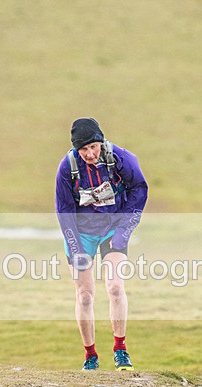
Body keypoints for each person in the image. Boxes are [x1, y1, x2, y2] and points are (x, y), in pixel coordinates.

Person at [55, 118, 149, 371]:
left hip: (112, 228)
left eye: (93, 147)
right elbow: (64, 211)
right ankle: (90, 357)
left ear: (102, 143)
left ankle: (121, 351)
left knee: (116, 287)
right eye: (83, 149)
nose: (89, 154)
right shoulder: (68, 167)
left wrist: (123, 231)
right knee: (85, 296)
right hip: (81, 233)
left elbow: (139, 192)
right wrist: (75, 248)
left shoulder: (122, 159)